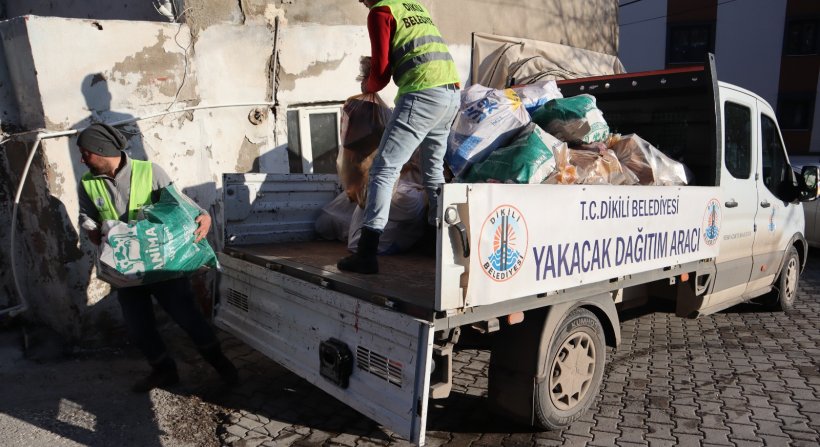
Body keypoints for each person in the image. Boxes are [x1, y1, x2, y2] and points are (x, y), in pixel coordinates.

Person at [76, 123, 238, 392]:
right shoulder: (87, 182)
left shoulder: (149, 172)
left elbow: (180, 203)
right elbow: (86, 215)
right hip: (125, 269)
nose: (82, 159)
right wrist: (90, 228)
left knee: (189, 318)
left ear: (101, 150)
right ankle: (164, 371)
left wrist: (204, 216)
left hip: (162, 265)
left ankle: (222, 365)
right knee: (139, 328)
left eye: (86, 153)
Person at [338, 0, 461, 274]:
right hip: (450, 95)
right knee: (432, 173)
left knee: (383, 169)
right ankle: (441, 244)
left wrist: (366, 85)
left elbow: (380, 76)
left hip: (422, 93)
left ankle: (367, 254)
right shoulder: (412, 6)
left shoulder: (381, 12)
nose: (361, 1)